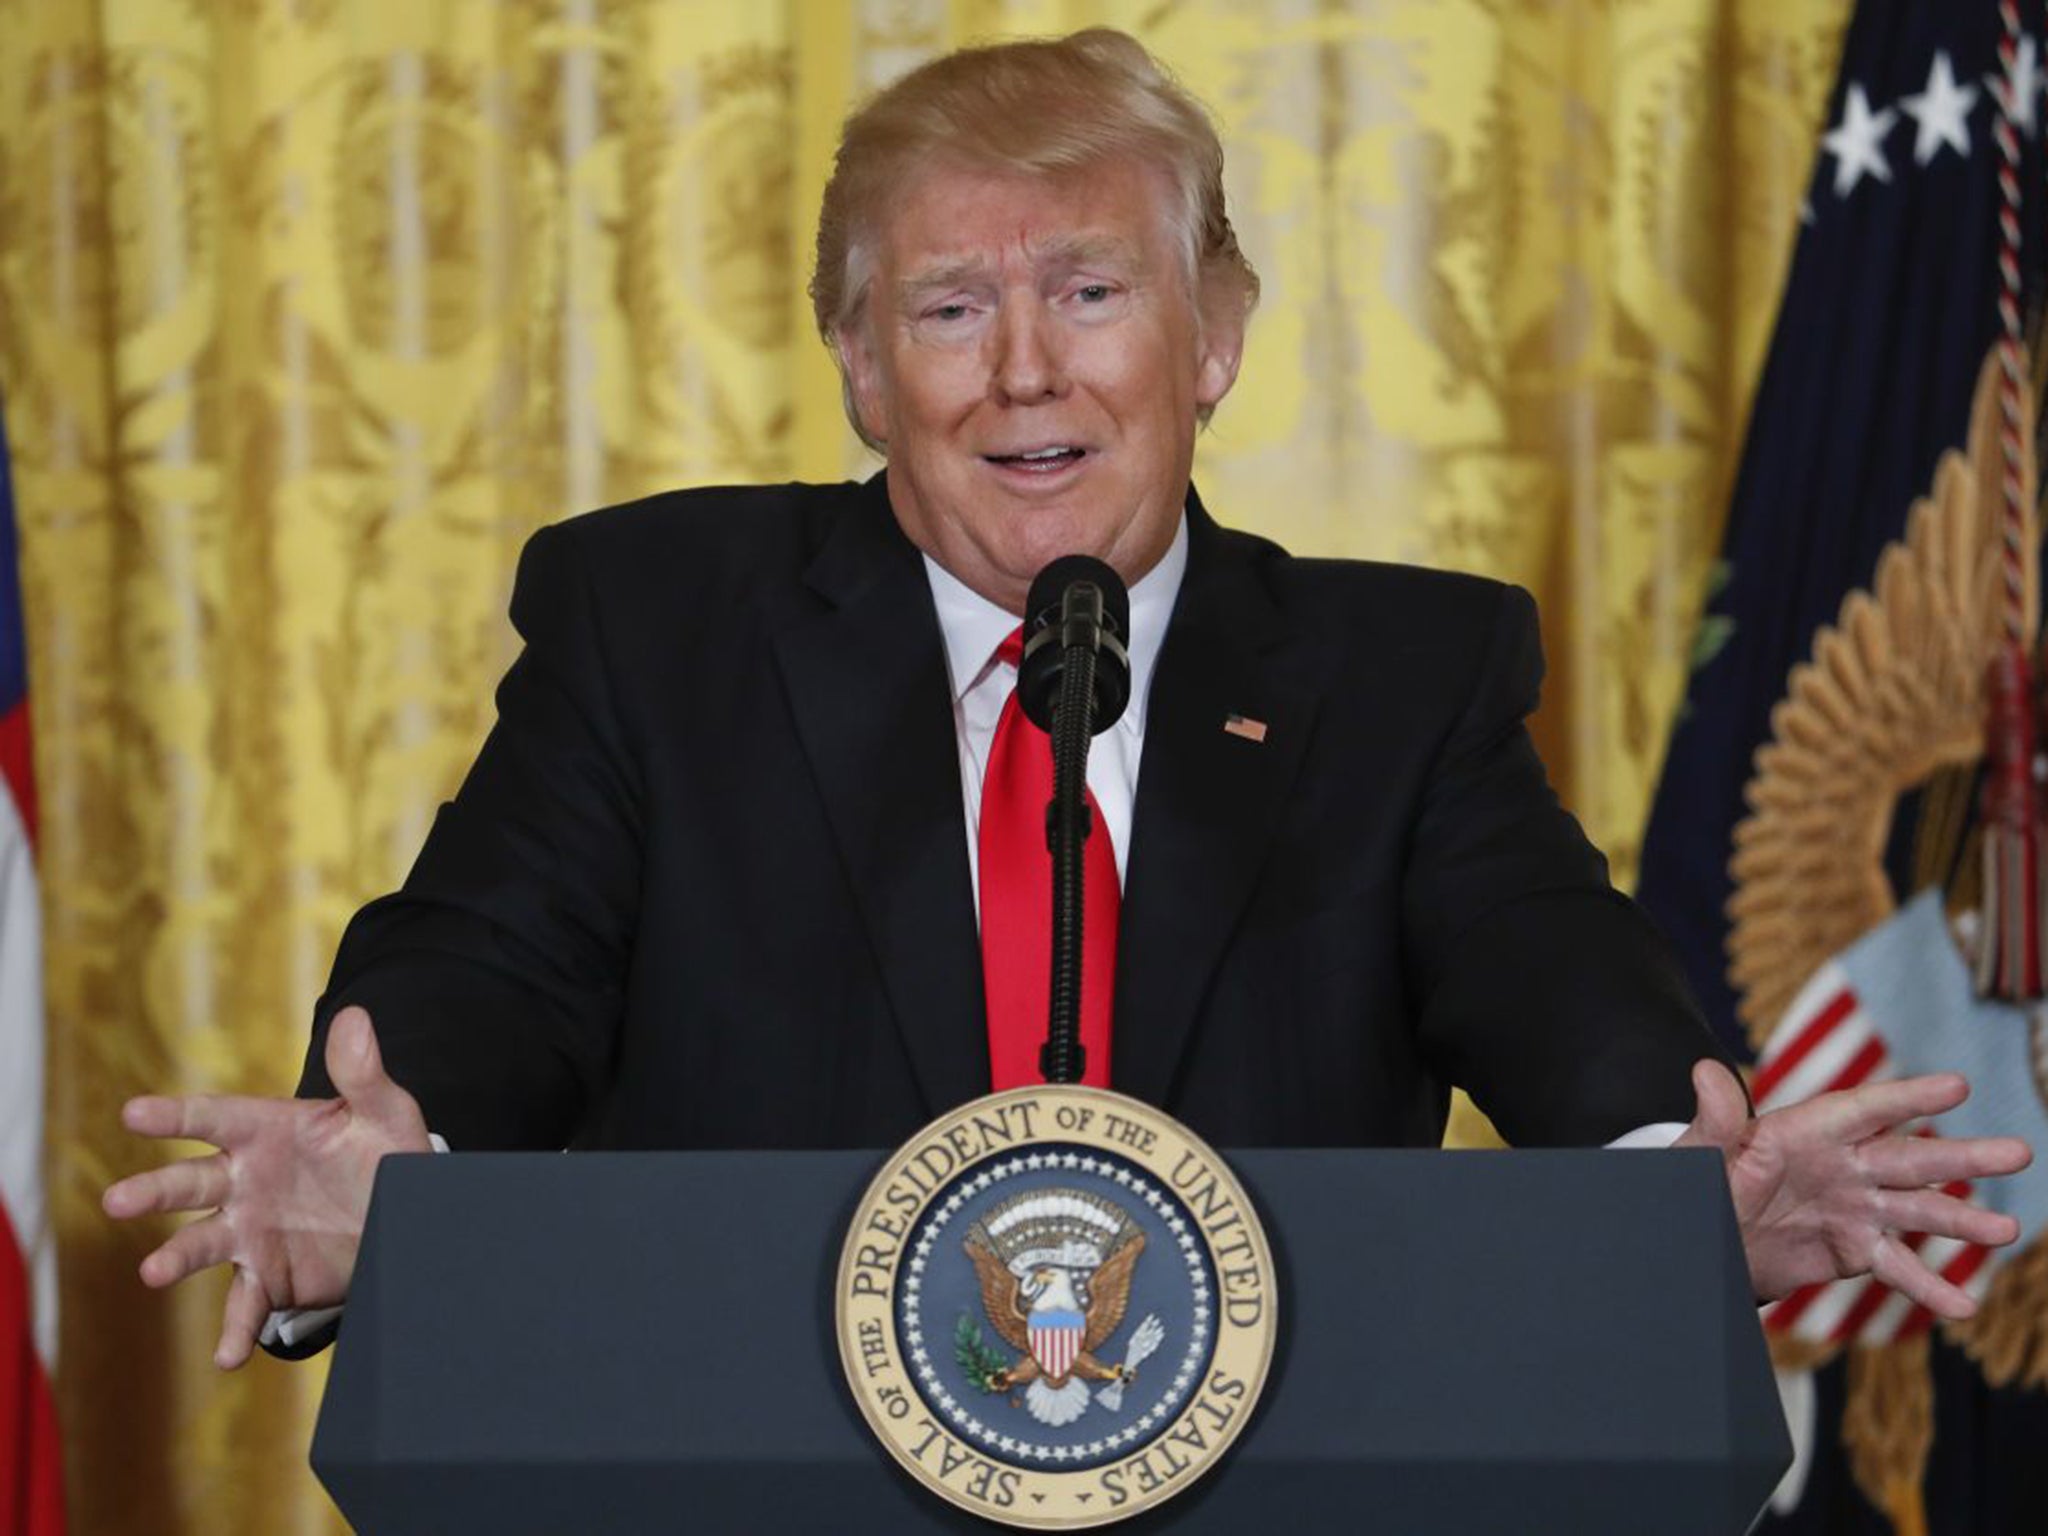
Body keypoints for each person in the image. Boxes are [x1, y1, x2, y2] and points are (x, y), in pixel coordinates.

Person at [104, 28, 2029, 1371]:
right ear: (862, 367)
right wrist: (395, 1170)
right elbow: (495, 966)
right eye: (947, 309)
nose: (1025, 371)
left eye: (1092, 292)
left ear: (1218, 338)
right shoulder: (659, 622)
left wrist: (1668, 1198)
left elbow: (1547, 975)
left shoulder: (1398, 673)